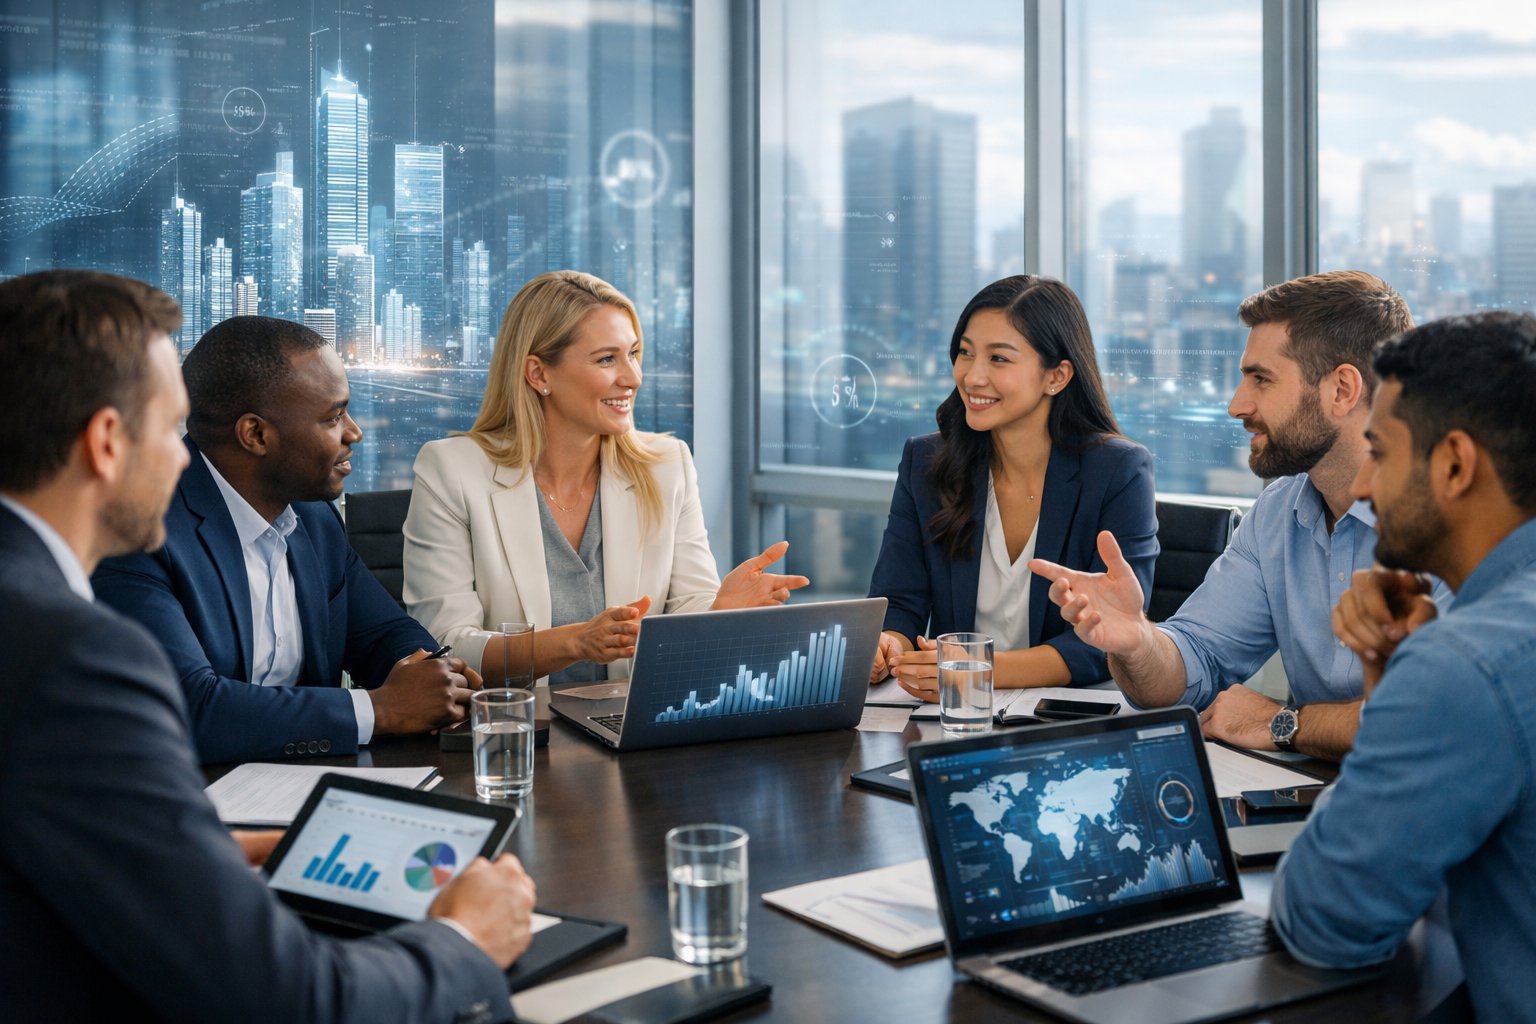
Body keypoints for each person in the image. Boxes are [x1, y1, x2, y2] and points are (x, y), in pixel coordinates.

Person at [0, 270, 536, 1022]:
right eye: (170, 428)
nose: (186, 457)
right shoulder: (71, 653)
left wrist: (189, 857)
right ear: (106, 443)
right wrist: (465, 940)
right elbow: (289, 999)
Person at [1031, 270, 1434, 760]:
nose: (1236, 405)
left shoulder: (1453, 520)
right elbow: (1194, 665)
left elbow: (1437, 717)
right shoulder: (1278, 511)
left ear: (1342, 390)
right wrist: (1136, 641)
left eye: (1261, 379)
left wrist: (1285, 724)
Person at [1271, 312, 1536, 1022]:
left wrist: (1408, 685)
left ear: (1454, 464)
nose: (1362, 490)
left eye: (1381, 455)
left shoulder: (1463, 668)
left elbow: (1324, 920)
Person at [94, 316, 480, 764]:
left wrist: (433, 676)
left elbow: (381, 633)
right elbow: (187, 708)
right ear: (255, 434)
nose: (354, 432)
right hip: (191, 802)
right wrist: (381, 709)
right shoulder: (139, 530)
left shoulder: (315, 518)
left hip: (312, 784)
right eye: (333, 416)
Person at [405, 270, 808, 684]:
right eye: (606, 359)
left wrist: (720, 611)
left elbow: (688, 606)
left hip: (631, 730)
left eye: (633, 354)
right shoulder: (451, 472)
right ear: (538, 374)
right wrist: (576, 642)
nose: (633, 377)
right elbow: (446, 645)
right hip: (517, 734)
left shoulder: (667, 465)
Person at [866, 276, 1158, 697]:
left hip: (1065, 719)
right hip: (953, 716)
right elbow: (899, 602)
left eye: (999, 359)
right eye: (966, 353)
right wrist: (886, 645)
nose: (972, 376)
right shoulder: (926, 463)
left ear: (1056, 376)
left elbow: (1104, 641)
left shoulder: (1118, 472)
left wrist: (979, 670)